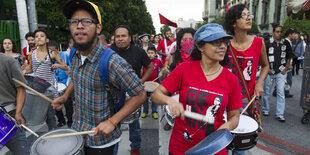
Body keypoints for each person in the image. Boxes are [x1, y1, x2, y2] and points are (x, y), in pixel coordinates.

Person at [52, 1, 146, 154]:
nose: (79, 26)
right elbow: (76, 78)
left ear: (98, 27)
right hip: (78, 130)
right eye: (74, 21)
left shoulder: (112, 62)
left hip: (102, 141)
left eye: (87, 21)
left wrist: (113, 121)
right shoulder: (73, 53)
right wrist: (65, 97)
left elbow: (140, 94)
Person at [151, 23, 243, 155]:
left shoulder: (231, 79)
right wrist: (169, 101)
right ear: (200, 47)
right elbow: (156, 94)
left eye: (224, 42)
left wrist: (225, 128)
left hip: (214, 148)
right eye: (216, 42)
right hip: (180, 148)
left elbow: (234, 116)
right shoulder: (184, 69)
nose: (222, 46)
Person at [224, 4, 269, 155]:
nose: (249, 18)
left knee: (239, 145)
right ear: (233, 22)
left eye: (249, 15)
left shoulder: (258, 42)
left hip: (244, 100)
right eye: (243, 15)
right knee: (221, 141)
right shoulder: (224, 43)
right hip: (223, 98)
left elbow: (265, 66)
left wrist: (259, 83)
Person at [110, 25, 154, 155]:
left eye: (123, 36)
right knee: (113, 124)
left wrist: (141, 81)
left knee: (134, 124)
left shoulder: (139, 52)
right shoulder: (108, 52)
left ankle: (135, 146)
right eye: (117, 36)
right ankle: (113, 150)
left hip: (133, 95)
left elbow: (150, 67)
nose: (120, 39)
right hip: (113, 95)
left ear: (130, 38)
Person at [22, 29, 68, 131]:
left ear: (47, 40)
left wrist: (57, 65)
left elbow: (65, 67)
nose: (39, 38)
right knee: (38, 111)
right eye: (36, 36)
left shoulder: (53, 53)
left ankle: (52, 132)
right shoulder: (31, 54)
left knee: (51, 114)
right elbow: (31, 68)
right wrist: (24, 70)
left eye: (41, 36)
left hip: (49, 88)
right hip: (37, 86)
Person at [162, 28, 196, 131]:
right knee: (173, 105)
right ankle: (169, 120)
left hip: (192, 86)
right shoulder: (175, 53)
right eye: (184, 39)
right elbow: (169, 64)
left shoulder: (199, 55)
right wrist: (165, 68)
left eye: (191, 39)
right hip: (178, 86)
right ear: (179, 41)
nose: (188, 41)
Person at [0, 53, 30, 155]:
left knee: (22, 152)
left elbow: (21, 88)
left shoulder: (8, 61)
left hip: (8, 116)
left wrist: (18, 112)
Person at [262, 25, 292, 122]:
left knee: (281, 93)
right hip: (270, 71)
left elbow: (289, 56)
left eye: (281, 32)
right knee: (267, 92)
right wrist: (267, 69)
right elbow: (263, 56)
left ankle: (279, 114)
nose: (279, 33)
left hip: (281, 72)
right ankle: (265, 109)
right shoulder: (267, 43)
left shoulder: (286, 43)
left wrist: (286, 68)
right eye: (277, 31)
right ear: (273, 32)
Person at [48, 40, 71, 127]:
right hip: (54, 84)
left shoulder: (64, 56)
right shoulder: (48, 58)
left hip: (65, 83)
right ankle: (61, 120)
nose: (52, 52)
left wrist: (61, 67)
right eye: (50, 51)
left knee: (68, 103)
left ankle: (70, 121)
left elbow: (69, 66)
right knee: (55, 102)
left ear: (57, 50)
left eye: (53, 50)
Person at [141, 46, 163, 119]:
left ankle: (154, 111)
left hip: (155, 83)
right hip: (145, 83)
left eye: (152, 53)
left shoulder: (158, 61)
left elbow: (163, 67)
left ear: (155, 54)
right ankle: (145, 111)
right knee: (144, 98)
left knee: (154, 97)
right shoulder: (144, 61)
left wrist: (161, 72)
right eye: (148, 53)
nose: (150, 54)